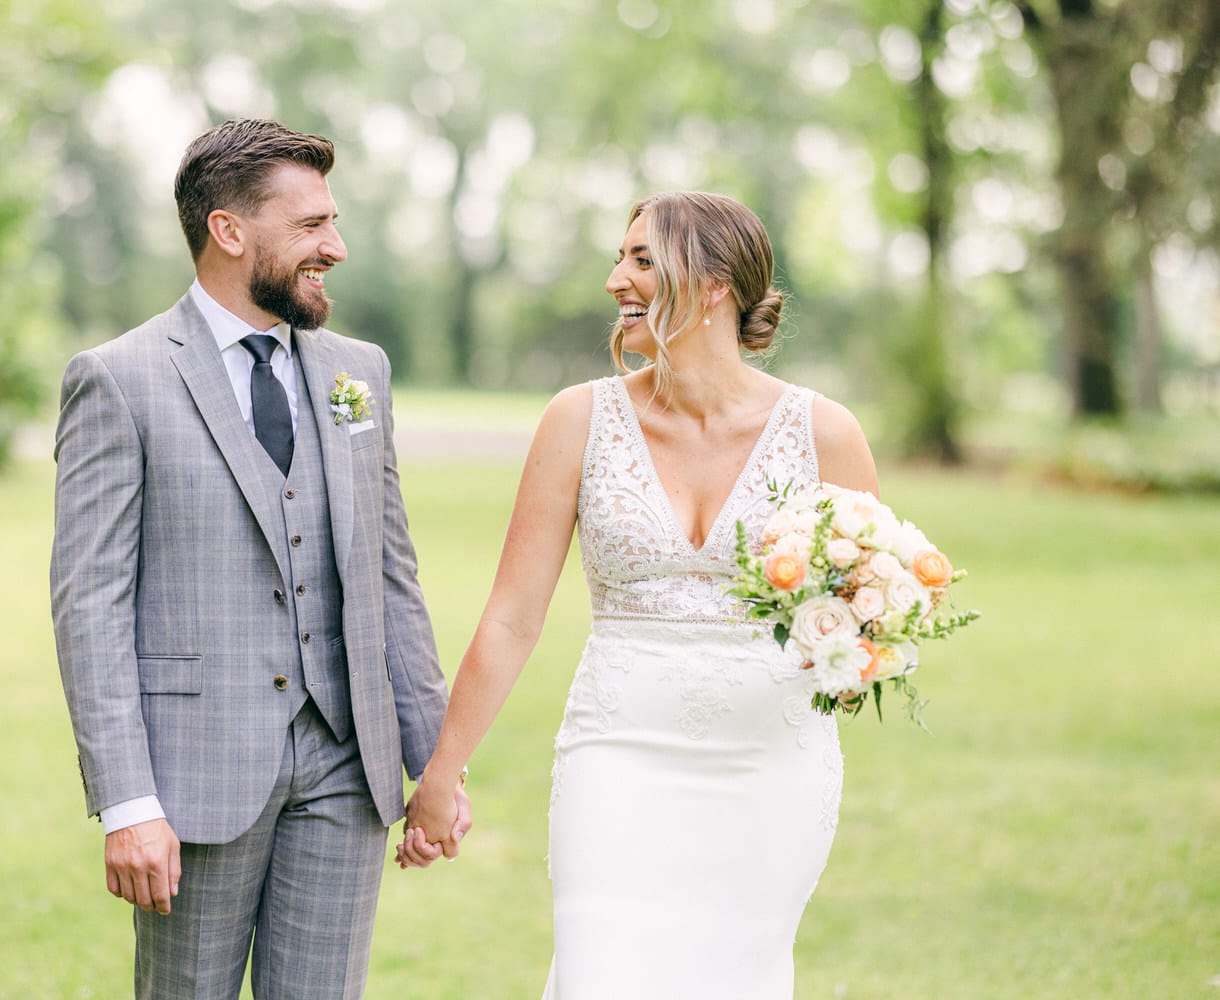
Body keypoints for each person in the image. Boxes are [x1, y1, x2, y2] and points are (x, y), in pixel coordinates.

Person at [398, 191, 879, 997]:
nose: (618, 277)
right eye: (620, 258)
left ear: (717, 282)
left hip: (770, 766)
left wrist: (844, 648)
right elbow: (514, 618)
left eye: (642, 260)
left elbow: (871, 616)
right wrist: (444, 771)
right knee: (600, 975)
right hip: (615, 755)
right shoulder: (576, 420)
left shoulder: (825, 433)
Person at [50, 118, 470, 1000]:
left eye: (334, 222)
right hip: (195, 778)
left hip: (345, 768)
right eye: (311, 225)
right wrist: (128, 803)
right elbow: (89, 605)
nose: (337, 248)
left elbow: (392, 575)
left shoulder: (362, 373)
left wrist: (436, 766)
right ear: (229, 231)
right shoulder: (120, 379)